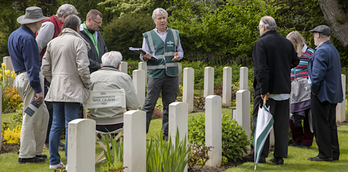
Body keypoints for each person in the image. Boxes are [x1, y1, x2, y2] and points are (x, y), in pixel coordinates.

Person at [41, 15, 91, 169]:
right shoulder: (79, 42)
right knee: (71, 125)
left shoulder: (52, 42)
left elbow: (44, 69)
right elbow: (83, 67)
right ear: (77, 27)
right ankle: (71, 160)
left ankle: (54, 161)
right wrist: (87, 84)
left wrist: (55, 79)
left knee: (56, 124)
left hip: (56, 88)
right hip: (73, 88)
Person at [252, 16, 299, 165]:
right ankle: (279, 156)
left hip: (267, 91)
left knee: (262, 121)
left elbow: (261, 69)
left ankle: (261, 155)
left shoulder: (261, 43)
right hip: (284, 88)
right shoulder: (286, 42)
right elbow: (296, 61)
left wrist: (263, 89)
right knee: (281, 124)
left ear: (264, 27)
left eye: (259, 27)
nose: (259, 29)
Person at [7, 6, 49, 164]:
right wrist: (38, 89)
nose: (42, 24)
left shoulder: (15, 34)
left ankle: (36, 151)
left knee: (43, 115)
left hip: (21, 77)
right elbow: (32, 66)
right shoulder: (29, 38)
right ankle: (25, 155)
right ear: (36, 22)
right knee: (30, 116)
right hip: (29, 78)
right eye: (41, 21)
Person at [36, 3, 78, 150]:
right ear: (65, 16)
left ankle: (52, 142)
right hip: (48, 71)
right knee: (52, 109)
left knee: (55, 112)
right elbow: (38, 47)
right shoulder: (50, 25)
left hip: (56, 71)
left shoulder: (60, 25)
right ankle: (47, 141)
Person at [140, 8, 184, 140]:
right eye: (159, 18)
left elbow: (180, 51)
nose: (162, 20)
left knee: (170, 105)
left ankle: (167, 134)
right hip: (156, 74)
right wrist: (145, 56)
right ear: (154, 20)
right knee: (149, 104)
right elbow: (143, 56)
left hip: (172, 74)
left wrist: (178, 56)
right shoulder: (147, 35)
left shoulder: (175, 34)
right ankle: (141, 132)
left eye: (164, 18)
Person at [307, 25, 343, 162]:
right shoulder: (332, 49)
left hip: (322, 94)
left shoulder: (321, 51)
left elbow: (317, 76)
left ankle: (325, 154)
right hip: (332, 93)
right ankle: (333, 152)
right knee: (330, 124)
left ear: (318, 35)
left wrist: (314, 91)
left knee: (320, 124)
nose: (313, 37)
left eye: (314, 35)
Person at [89, 51, 139, 131]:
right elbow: (133, 105)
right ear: (118, 64)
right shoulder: (123, 77)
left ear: (102, 62)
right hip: (119, 122)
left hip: (95, 122)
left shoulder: (92, 76)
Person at [286, 31, 314, 149]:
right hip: (292, 86)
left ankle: (306, 141)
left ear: (297, 42)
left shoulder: (310, 53)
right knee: (292, 114)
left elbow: (313, 70)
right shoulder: (288, 53)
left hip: (305, 87)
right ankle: (297, 138)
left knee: (307, 114)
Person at [80, 9, 108, 73]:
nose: (100, 25)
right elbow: (82, 57)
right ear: (89, 20)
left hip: (100, 71)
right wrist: (97, 65)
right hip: (86, 72)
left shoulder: (98, 32)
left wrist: (105, 64)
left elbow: (104, 49)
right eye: (98, 22)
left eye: (100, 22)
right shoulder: (79, 33)